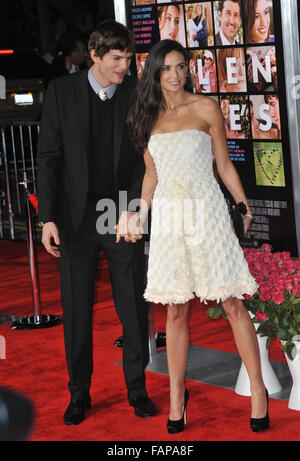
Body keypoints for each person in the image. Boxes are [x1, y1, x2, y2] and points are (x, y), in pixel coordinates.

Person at [127, 39, 269, 434]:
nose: (175, 75)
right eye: (167, 69)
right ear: (155, 72)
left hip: (207, 214)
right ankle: (176, 399)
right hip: (171, 220)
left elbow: (223, 164)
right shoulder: (146, 117)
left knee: (232, 303)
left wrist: (242, 205)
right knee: (174, 310)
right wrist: (140, 214)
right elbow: (151, 176)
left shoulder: (206, 108)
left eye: (180, 67)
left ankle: (258, 389)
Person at [37, 20, 156, 427]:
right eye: (117, 59)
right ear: (94, 54)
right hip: (74, 217)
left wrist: (136, 208)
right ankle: (79, 393)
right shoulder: (61, 92)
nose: (125, 66)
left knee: (133, 305)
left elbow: (146, 157)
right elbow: (49, 159)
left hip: (120, 212)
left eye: (128, 58)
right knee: (76, 309)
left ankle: (137, 389)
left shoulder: (136, 92)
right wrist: (47, 218)